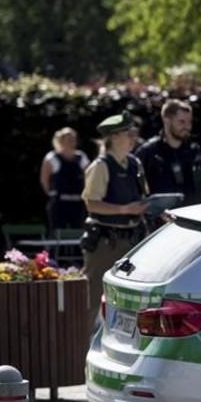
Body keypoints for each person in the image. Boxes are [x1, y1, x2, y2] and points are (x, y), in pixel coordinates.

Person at [81, 114, 149, 328]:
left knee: (130, 297)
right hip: (104, 241)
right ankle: (83, 348)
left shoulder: (135, 163)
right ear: (112, 138)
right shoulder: (100, 166)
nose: (133, 138)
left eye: (134, 133)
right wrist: (124, 209)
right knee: (93, 297)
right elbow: (92, 203)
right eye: (128, 134)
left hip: (132, 241)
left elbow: (143, 197)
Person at [136, 99, 201, 205]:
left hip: (193, 213)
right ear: (167, 120)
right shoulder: (148, 152)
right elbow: (136, 189)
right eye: (182, 122)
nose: (187, 127)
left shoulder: (193, 150)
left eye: (189, 122)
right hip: (162, 217)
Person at [39, 127, 90, 232]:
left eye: (73, 139)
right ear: (61, 140)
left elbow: (89, 177)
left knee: (79, 233)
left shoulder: (82, 157)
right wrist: (51, 194)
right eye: (69, 139)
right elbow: (44, 180)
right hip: (59, 203)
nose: (72, 142)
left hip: (78, 202)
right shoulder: (51, 157)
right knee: (57, 232)